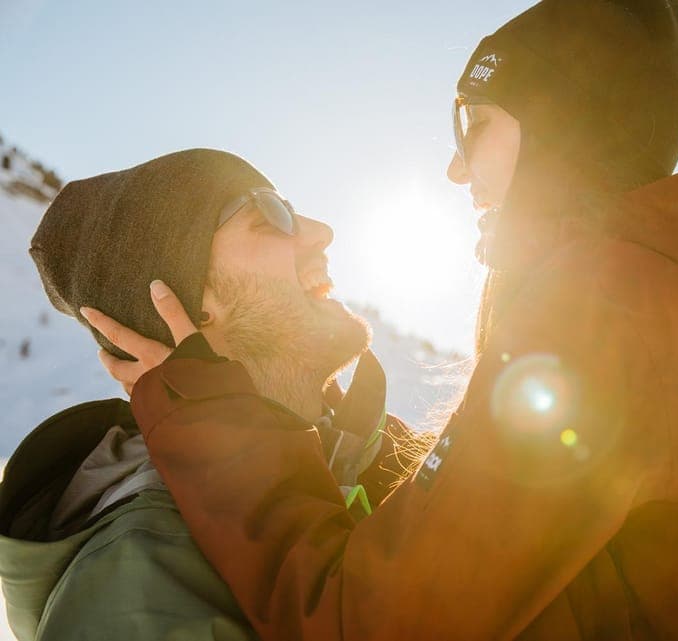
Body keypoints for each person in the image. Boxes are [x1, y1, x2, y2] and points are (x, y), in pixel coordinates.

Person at [88, 1, 678, 639]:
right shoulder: (674, 299)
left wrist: (210, 422)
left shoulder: (602, 310)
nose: (456, 167)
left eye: (475, 125)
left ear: (566, 131)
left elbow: (368, 620)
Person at [0, 149, 413, 640]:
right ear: (189, 302)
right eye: (267, 216)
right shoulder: (145, 578)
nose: (321, 231)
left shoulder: (384, 459)